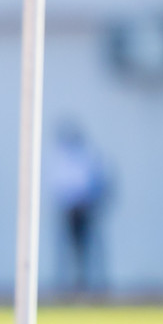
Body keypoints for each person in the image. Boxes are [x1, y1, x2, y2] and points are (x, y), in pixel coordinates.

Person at [49, 122, 108, 292]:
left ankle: (86, 284)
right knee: (68, 248)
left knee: (85, 248)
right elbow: (60, 185)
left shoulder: (85, 156)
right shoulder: (63, 158)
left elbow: (93, 181)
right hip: (69, 210)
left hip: (84, 209)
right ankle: (68, 284)